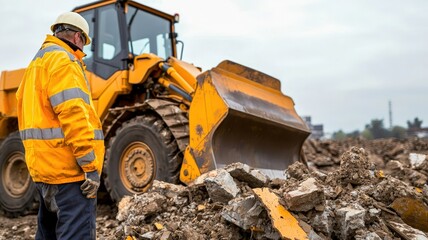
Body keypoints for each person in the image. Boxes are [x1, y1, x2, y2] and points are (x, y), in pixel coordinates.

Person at [16, 12, 105, 240]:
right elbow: (74, 115)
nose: (83, 48)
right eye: (84, 42)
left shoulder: (36, 64)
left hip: (44, 172)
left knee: (48, 234)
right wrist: (90, 168)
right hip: (69, 173)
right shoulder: (65, 62)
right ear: (77, 37)